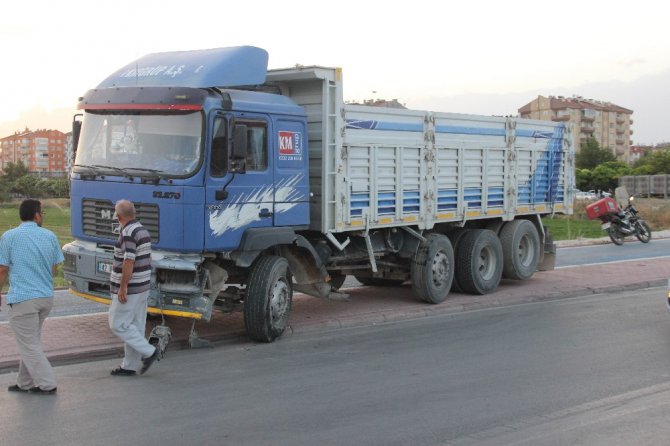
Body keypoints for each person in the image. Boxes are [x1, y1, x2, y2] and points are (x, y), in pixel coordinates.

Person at [0, 199, 64, 395]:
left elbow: (2, 269)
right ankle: (25, 383)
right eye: (42, 213)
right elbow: (54, 269)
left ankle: (47, 383)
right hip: (45, 297)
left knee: (29, 344)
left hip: (23, 299)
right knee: (31, 341)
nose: (42, 216)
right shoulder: (50, 236)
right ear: (36, 215)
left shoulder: (9, 236)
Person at [108, 199, 159, 376]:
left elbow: (129, 260)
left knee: (117, 324)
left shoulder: (128, 232)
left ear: (119, 216)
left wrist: (123, 287)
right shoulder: (142, 229)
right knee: (135, 326)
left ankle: (150, 352)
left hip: (131, 288)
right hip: (143, 285)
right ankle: (129, 366)